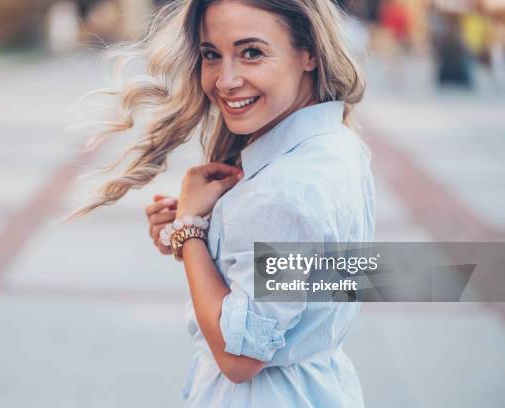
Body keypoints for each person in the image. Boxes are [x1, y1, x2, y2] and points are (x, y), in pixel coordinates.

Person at [69, 0, 375, 406]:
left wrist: (190, 231)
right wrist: (216, 232)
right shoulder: (336, 144)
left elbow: (239, 356)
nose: (226, 81)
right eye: (212, 54)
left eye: (252, 53)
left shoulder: (285, 190)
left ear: (309, 53)